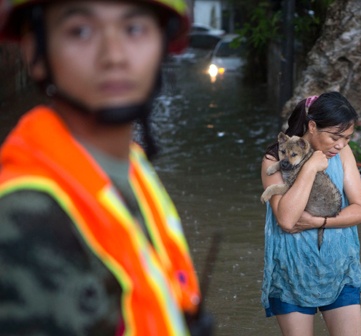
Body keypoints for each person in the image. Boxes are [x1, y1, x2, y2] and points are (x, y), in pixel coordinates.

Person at [0, 1, 212, 334]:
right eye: (80, 31)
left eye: (134, 29)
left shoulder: (133, 168)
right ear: (35, 52)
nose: (114, 55)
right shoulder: (24, 218)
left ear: (163, 45)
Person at [261, 92, 361, 335]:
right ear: (312, 126)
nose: (341, 144)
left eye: (347, 138)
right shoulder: (275, 158)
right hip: (292, 271)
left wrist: (317, 221)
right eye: (335, 137)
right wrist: (310, 167)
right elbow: (287, 220)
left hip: (339, 266)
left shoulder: (343, 154)